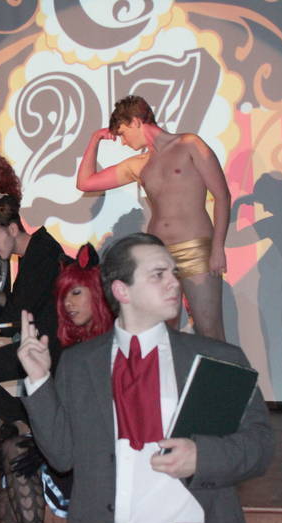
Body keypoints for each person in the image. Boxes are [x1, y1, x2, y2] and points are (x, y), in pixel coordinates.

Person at [17, 233, 274, 523]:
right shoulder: (80, 364)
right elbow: (61, 456)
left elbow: (260, 446)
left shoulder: (217, 358)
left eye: (174, 273)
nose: (174, 283)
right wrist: (39, 380)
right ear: (122, 291)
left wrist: (202, 457)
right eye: (158, 274)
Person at [76, 95, 230, 340]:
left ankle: (226, 368)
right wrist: (95, 139)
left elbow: (222, 196)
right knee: (164, 335)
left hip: (195, 247)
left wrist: (218, 247)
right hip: (160, 254)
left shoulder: (189, 144)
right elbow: (85, 182)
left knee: (209, 330)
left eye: (123, 133)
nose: (123, 142)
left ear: (136, 121)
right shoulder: (140, 164)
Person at [0, 244, 114, 523]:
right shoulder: (64, 346)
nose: (67, 303)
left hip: (97, 459)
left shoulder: (116, 345)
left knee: (14, 457)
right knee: (10, 457)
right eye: (63, 295)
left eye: (76, 292)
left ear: (98, 293)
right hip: (66, 445)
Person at [0, 205, 65, 432]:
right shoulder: (37, 252)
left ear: (13, 229)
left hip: (52, 347)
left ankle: (27, 424)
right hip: (47, 344)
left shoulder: (42, 254)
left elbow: (20, 310)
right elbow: (20, 303)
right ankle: (28, 424)